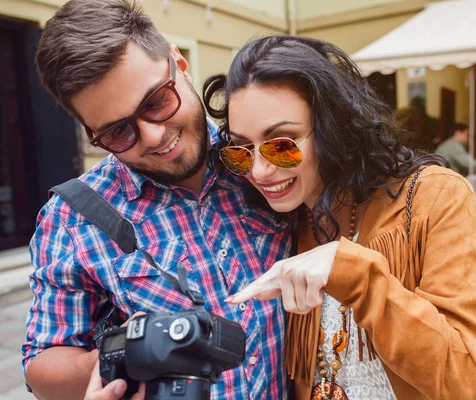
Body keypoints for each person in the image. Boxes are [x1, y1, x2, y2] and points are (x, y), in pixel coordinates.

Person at [204, 36, 476, 399]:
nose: (259, 171)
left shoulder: (433, 196)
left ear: (331, 128)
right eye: (241, 150)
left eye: (282, 144)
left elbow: (463, 380)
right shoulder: (290, 224)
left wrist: (353, 272)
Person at [22, 1, 293, 399]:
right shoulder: (72, 217)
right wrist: (119, 358)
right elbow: (40, 363)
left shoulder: (263, 159)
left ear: (178, 63)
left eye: (155, 102)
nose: (151, 136)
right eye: (118, 132)